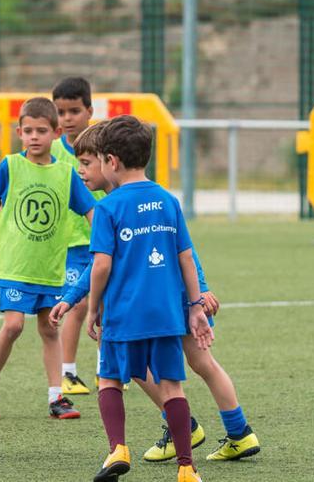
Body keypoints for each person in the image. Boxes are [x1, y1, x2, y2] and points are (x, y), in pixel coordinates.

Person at [52, 123, 261, 464]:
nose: (82, 173)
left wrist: (200, 293)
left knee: (154, 364)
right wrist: (73, 296)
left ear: (110, 162)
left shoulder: (114, 206)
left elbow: (183, 253)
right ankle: (232, 431)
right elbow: (169, 251)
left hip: (165, 296)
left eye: (88, 164)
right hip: (172, 296)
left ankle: (185, 426)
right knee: (191, 364)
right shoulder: (151, 199)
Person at [81, 115, 212, 482]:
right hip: (167, 313)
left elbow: (102, 265)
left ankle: (118, 449)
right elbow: (186, 257)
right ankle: (187, 468)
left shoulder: (108, 208)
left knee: (109, 380)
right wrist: (196, 306)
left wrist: (93, 308)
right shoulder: (168, 200)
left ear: (112, 161)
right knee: (171, 386)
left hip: (124, 312)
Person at [0, 97, 95, 421]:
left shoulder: (66, 174)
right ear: (19, 132)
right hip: (15, 264)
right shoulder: (10, 166)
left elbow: (90, 209)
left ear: (56, 133)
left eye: (41, 130)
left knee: (49, 328)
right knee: (13, 326)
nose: (34, 137)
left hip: (49, 266)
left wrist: (102, 242)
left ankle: (57, 397)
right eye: (28, 131)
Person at [50, 77, 105, 395]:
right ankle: (68, 372)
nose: (67, 118)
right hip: (68, 241)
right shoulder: (52, 150)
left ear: (89, 110)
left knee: (108, 304)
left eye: (74, 111)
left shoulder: (102, 144)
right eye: (61, 112)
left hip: (101, 238)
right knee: (77, 304)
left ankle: (105, 369)